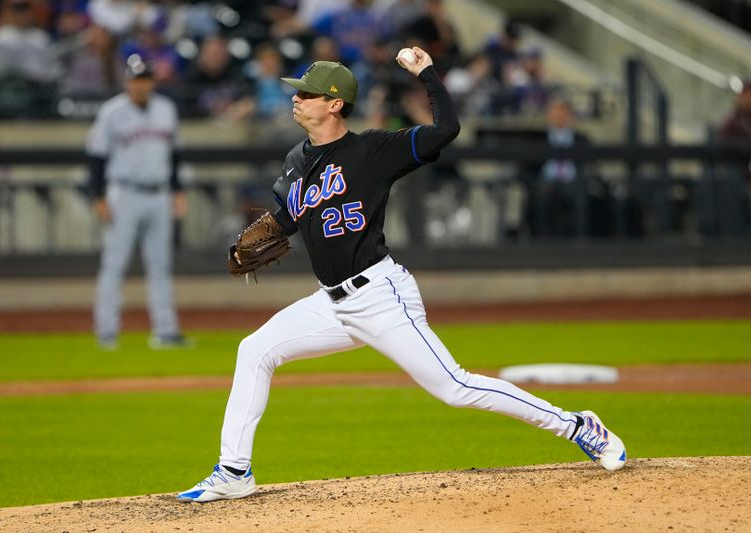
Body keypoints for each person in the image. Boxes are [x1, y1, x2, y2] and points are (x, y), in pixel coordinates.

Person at [176, 48, 626, 503]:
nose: (297, 99)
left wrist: (426, 73)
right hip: (330, 304)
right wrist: (261, 234)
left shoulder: (373, 149)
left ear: (335, 104)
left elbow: (446, 130)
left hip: (380, 297)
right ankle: (235, 471)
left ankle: (576, 425)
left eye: (308, 94)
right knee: (254, 350)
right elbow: (287, 219)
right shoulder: (297, 160)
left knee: (456, 387)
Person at [86, 55, 190, 351]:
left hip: (159, 194)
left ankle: (166, 332)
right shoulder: (112, 112)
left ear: (152, 81)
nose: (140, 84)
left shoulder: (166, 109)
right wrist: (99, 196)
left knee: (160, 266)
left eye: (144, 78)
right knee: (114, 264)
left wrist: (177, 191)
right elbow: (97, 158)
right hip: (125, 193)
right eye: (135, 79)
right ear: (126, 81)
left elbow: (174, 156)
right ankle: (106, 331)